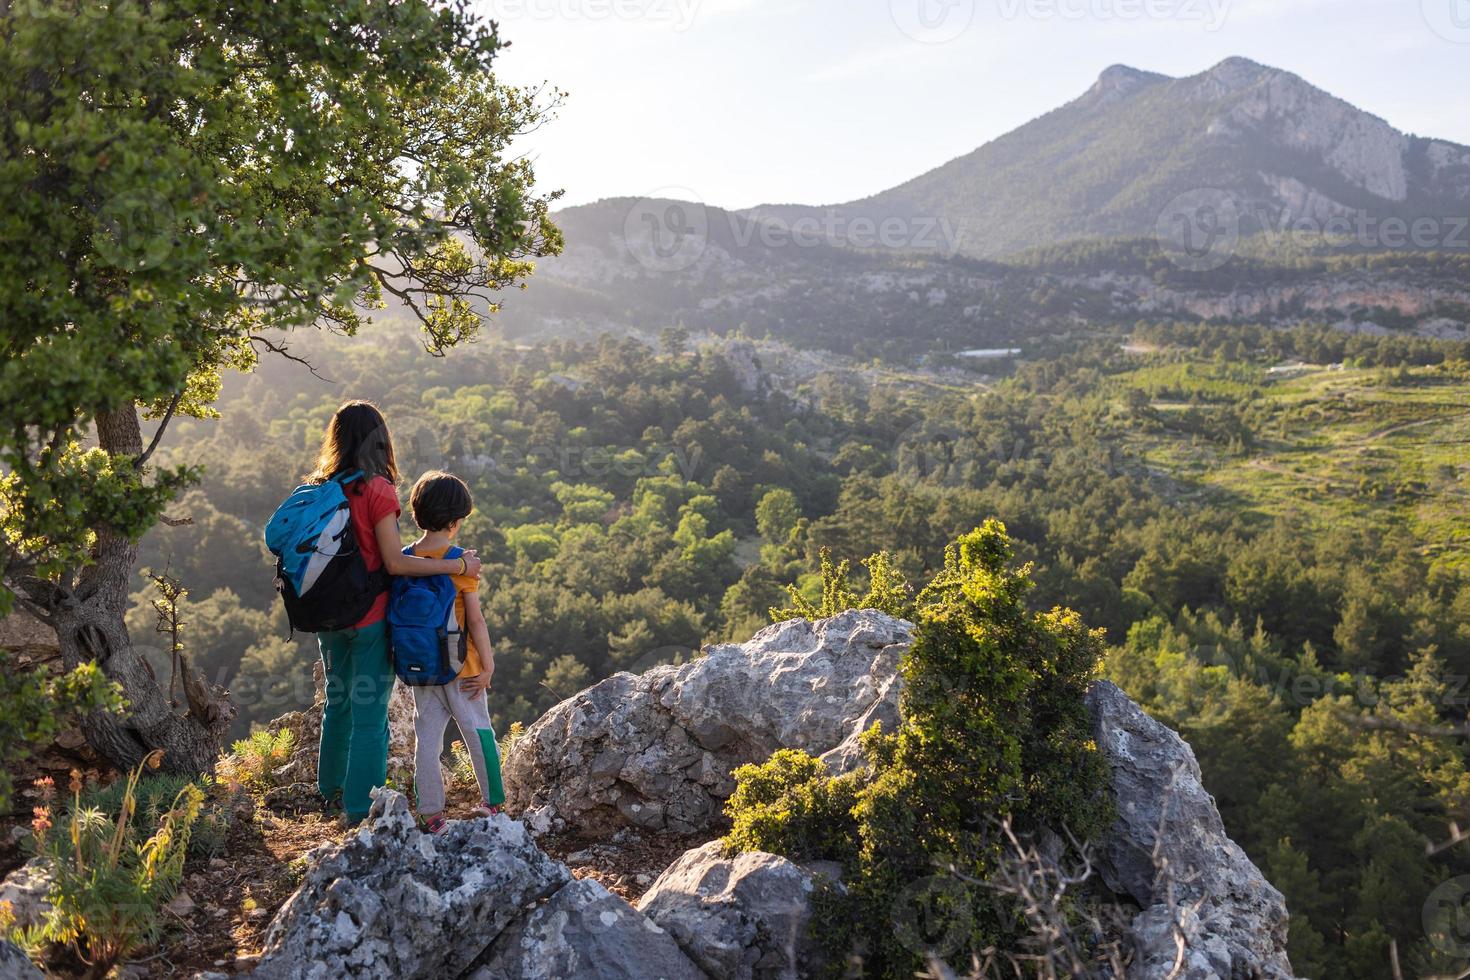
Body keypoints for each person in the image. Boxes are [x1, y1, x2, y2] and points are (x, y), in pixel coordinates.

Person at [307, 402, 482, 824]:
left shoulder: (318, 487)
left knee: (338, 701)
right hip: (368, 617)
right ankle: (359, 808)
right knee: (370, 714)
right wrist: (455, 566)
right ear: (380, 440)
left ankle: (329, 791)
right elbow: (395, 563)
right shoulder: (377, 489)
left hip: (326, 615)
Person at [402, 471, 503, 833]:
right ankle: (493, 803)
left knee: (427, 741)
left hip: (421, 667)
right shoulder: (461, 563)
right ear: (455, 523)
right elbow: (475, 620)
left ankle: (431, 815)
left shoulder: (405, 560)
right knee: (479, 732)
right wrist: (488, 665)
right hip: (464, 667)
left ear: (417, 514)